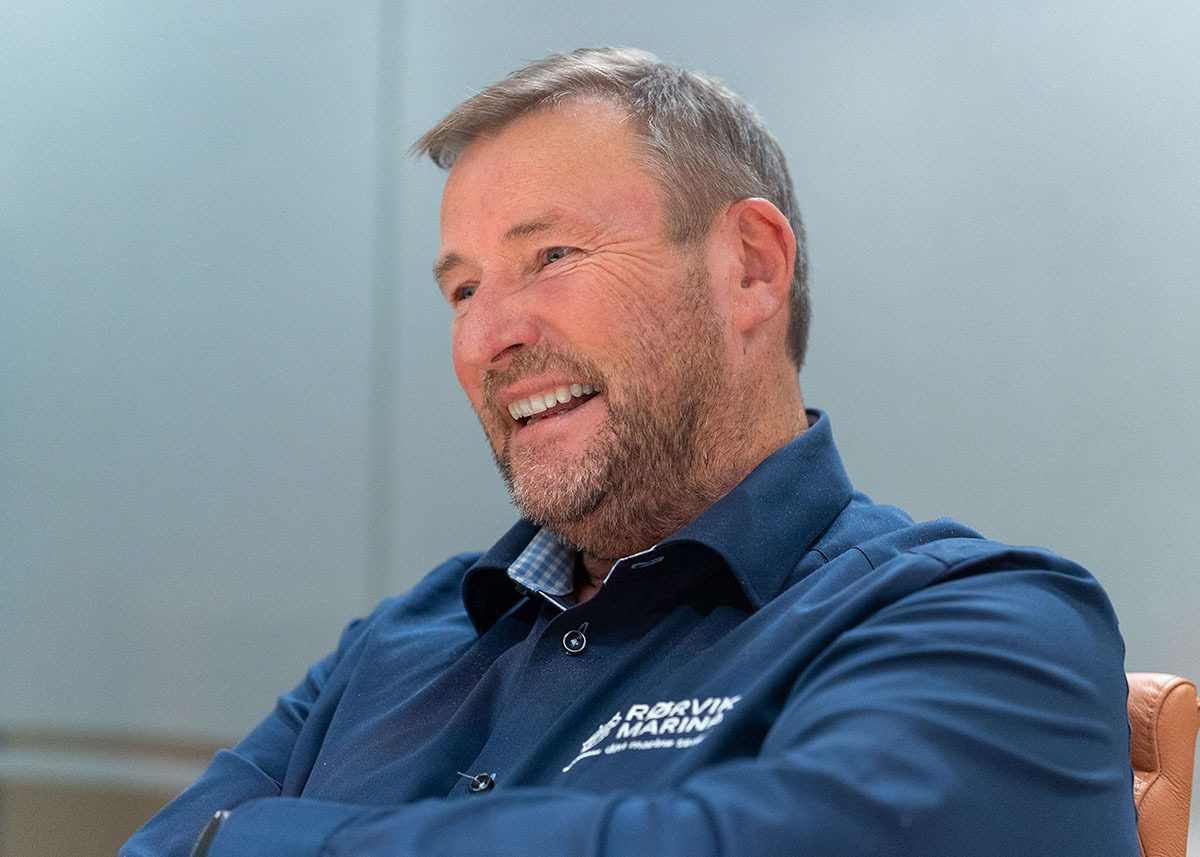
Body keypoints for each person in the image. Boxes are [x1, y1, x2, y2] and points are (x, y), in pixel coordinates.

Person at [123, 47, 1138, 856]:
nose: (488, 337)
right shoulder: (400, 638)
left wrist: (261, 840)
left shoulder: (989, 626)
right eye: (464, 289)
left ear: (751, 267)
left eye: (551, 255)